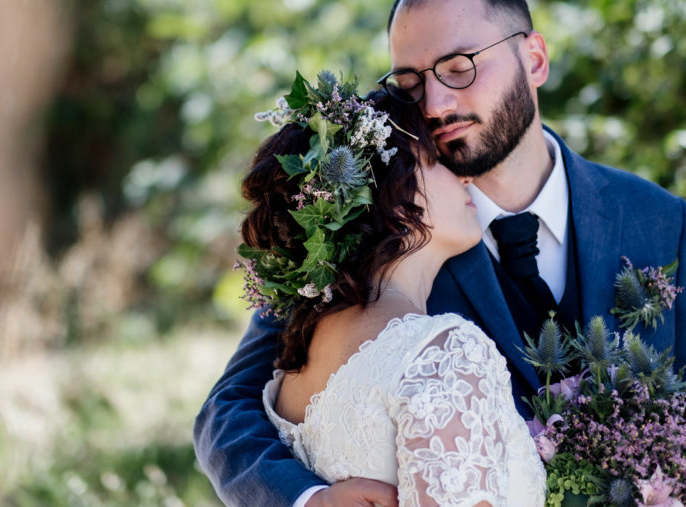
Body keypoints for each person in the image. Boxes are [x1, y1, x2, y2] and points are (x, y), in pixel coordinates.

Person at [194, 0, 686, 506]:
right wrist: (308, 501)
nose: (436, 104)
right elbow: (227, 408)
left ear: (533, 59)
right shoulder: (371, 234)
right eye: (411, 83)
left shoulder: (658, 218)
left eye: (460, 66)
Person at [232, 73, 545, 506]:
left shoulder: (300, 352)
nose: (466, 178)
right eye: (439, 162)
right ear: (397, 196)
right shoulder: (441, 353)